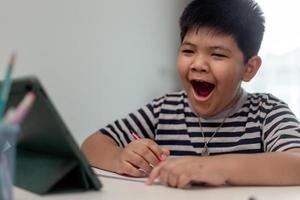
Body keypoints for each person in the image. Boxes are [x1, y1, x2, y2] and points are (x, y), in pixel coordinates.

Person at [81, 0, 300, 188]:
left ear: (249, 68)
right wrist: (120, 158)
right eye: (188, 51)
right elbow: (91, 145)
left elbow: (296, 163)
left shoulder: (266, 112)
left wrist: (218, 167)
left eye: (217, 55)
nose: (198, 64)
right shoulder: (163, 110)